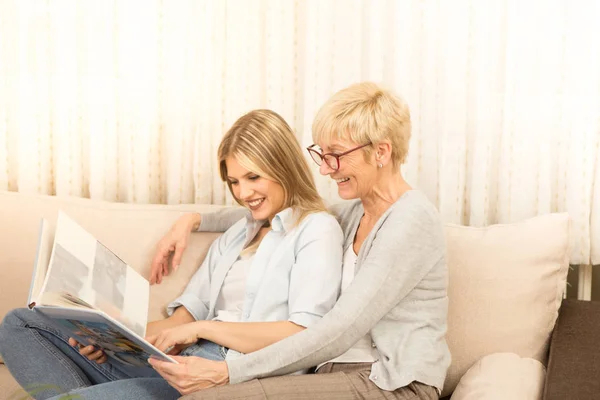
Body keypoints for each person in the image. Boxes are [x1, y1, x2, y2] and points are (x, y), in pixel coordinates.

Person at [0, 109, 344, 400]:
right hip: (175, 362)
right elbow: (181, 320)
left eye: (253, 177)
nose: (243, 193)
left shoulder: (316, 229)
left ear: (282, 166)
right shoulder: (238, 233)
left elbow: (304, 334)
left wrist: (201, 329)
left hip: (224, 374)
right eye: (234, 181)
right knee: (20, 323)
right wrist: (107, 337)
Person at [148, 82, 451, 399]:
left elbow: (339, 331)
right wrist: (193, 220)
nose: (324, 168)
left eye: (336, 156)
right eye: (322, 154)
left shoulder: (410, 220)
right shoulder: (351, 214)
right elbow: (278, 211)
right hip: (334, 373)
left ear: (381, 152)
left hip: (393, 382)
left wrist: (227, 372)